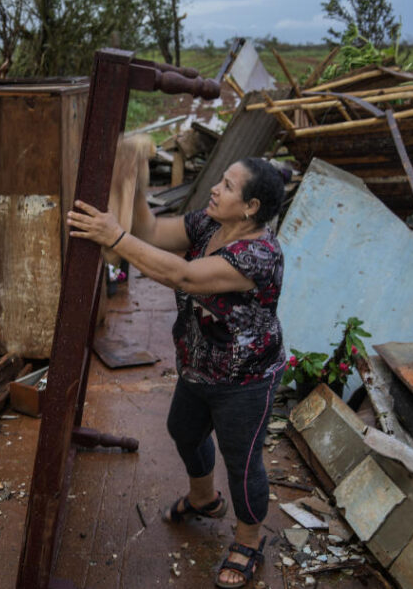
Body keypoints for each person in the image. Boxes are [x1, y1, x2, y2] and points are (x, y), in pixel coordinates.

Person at [67, 155, 286, 589]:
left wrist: (114, 235)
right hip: (198, 364)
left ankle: (248, 541)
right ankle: (204, 499)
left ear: (251, 207)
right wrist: (136, 178)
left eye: (227, 185)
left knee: (243, 464)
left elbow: (184, 276)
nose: (215, 189)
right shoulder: (208, 225)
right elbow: (150, 232)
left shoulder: (258, 255)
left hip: (246, 379)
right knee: (184, 429)